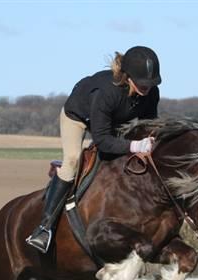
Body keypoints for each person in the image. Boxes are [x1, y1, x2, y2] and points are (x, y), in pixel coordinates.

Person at [26, 46, 162, 253]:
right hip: (79, 117)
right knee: (72, 160)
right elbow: (103, 140)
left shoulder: (151, 93)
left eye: (150, 84)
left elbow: (148, 125)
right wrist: (134, 145)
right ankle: (44, 227)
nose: (147, 88)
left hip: (116, 122)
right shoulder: (107, 92)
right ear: (127, 77)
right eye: (142, 83)